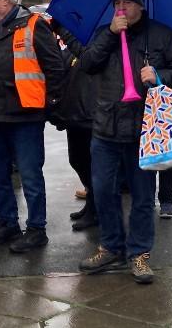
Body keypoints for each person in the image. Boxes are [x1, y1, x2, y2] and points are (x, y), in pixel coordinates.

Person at [76, 0, 172, 282]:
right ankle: (111, 245)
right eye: (117, 4)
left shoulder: (162, 35)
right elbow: (87, 64)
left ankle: (138, 253)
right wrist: (110, 36)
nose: (121, 8)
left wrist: (160, 75)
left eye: (127, 3)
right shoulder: (105, 34)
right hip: (106, 127)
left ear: (141, 5)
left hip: (145, 129)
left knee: (142, 196)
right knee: (102, 190)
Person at [0, 0, 64, 253]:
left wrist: (50, 104)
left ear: (6, 0)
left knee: (30, 175)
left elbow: (55, 68)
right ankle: (8, 222)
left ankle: (37, 229)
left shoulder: (34, 26)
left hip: (25, 117)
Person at [48, 21, 100, 231]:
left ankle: (96, 209)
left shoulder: (95, 49)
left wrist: (63, 29)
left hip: (91, 116)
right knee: (77, 160)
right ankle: (91, 202)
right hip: (74, 116)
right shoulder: (70, 51)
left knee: (91, 164)